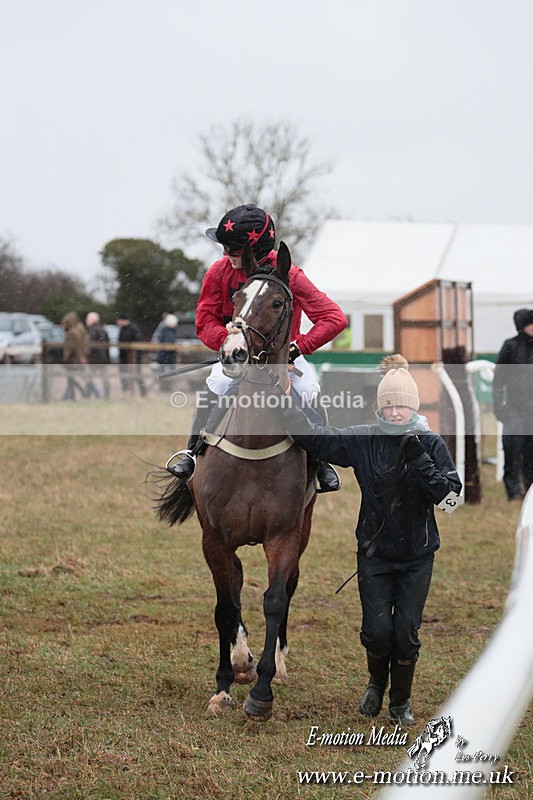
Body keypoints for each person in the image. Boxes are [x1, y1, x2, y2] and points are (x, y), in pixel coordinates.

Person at [277, 354, 462, 725]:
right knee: (377, 632)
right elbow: (317, 440)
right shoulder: (363, 439)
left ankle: (401, 702)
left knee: (406, 633)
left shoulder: (430, 443)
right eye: (389, 405)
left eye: (403, 407)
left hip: (416, 556)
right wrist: (283, 400)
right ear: (380, 406)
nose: (395, 413)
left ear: (414, 407)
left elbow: (451, 500)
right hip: (374, 555)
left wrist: (421, 462)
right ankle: (376, 684)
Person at [169, 204, 348, 492]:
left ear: (256, 249)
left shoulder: (293, 276)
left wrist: (297, 347)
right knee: (215, 382)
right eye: (225, 248)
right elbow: (205, 320)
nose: (226, 255)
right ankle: (192, 451)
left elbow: (334, 318)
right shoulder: (218, 272)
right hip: (238, 350)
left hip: (283, 355)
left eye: (233, 249)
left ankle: (320, 461)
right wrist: (229, 343)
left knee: (308, 390)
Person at [492, 308, 533, 500]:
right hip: (515, 409)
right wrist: (500, 407)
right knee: (512, 451)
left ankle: (529, 491)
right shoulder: (510, 346)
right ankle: (513, 492)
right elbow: (498, 380)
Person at [116, 313, 147, 396]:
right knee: (124, 374)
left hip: (134, 357)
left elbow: (138, 343)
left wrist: (136, 357)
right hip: (124, 357)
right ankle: (126, 391)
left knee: (137, 374)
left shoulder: (133, 328)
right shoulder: (122, 329)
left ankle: (143, 392)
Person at [61, 311, 87, 400]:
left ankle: (72, 396)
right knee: (78, 378)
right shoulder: (80, 328)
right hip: (77, 359)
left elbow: (72, 348)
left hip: (73, 360)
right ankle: (69, 396)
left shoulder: (72, 332)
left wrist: (66, 359)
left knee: (72, 379)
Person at [85, 311, 110, 399]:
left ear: (92, 320)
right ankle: (106, 396)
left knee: (89, 378)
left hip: (95, 359)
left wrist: (87, 355)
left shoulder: (94, 330)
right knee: (104, 379)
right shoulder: (102, 329)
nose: (86, 321)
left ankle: (87, 395)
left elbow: (91, 346)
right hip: (102, 359)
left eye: (87, 319)